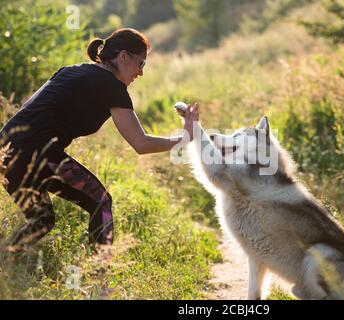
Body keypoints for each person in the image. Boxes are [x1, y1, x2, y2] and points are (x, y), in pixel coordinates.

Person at [0, 28, 199, 252]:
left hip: (5, 151)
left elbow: (29, 108)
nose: (141, 73)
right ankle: (99, 280)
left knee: (41, 221)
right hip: (35, 154)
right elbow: (141, 144)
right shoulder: (112, 86)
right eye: (140, 64)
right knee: (101, 203)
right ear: (123, 56)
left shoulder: (70, 70)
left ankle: (5, 266)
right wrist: (185, 138)